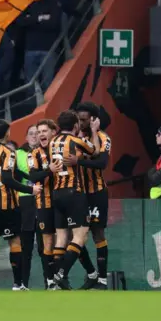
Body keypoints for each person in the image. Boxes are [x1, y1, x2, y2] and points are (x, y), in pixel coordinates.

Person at [0, 119, 42, 291]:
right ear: (7, 133)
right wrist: (30, 189)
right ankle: (18, 284)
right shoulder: (8, 153)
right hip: (7, 204)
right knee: (15, 242)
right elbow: (8, 179)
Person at [49, 110, 100, 290]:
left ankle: (56, 282)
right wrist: (93, 131)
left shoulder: (52, 142)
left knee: (61, 238)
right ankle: (61, 274)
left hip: (57, 193)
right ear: (76, 125)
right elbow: (95, 151)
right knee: (80, 236)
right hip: (74, 192)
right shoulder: (75, 141)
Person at [65, 102, 111, 290]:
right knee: (74, 236)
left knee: (97, 233)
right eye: (79, 119)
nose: (81, 123)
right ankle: (91, 273)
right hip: (77, 194)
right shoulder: (72, 138)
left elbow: (102, 163)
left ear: (93, 120)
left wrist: (80, 160)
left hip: (96, 192)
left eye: (84, 120)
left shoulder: (103, 137)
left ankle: (102, 280)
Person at [28, 119, 59, 289]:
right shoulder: (34, 154)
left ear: (53, 132)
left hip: (62, 202)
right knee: (47, 243)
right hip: (44, 204)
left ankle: (62, 277)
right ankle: (50, 281)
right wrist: (49, 171)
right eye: (38, 132)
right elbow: (33, 177)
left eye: (44, 131)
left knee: (66, 241)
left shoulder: (61, 149)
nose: (40, 134)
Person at [15, 125, 39, 288]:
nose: (34, 136)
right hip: (25, 201)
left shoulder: (45, 153)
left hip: (44, 200)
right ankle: (23, 283)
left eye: (37, 133)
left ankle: (50, 282)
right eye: (31, 133)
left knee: (46, 244)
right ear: (26, 137)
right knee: (26, 245)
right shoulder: (18, 154)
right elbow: (14, 173)